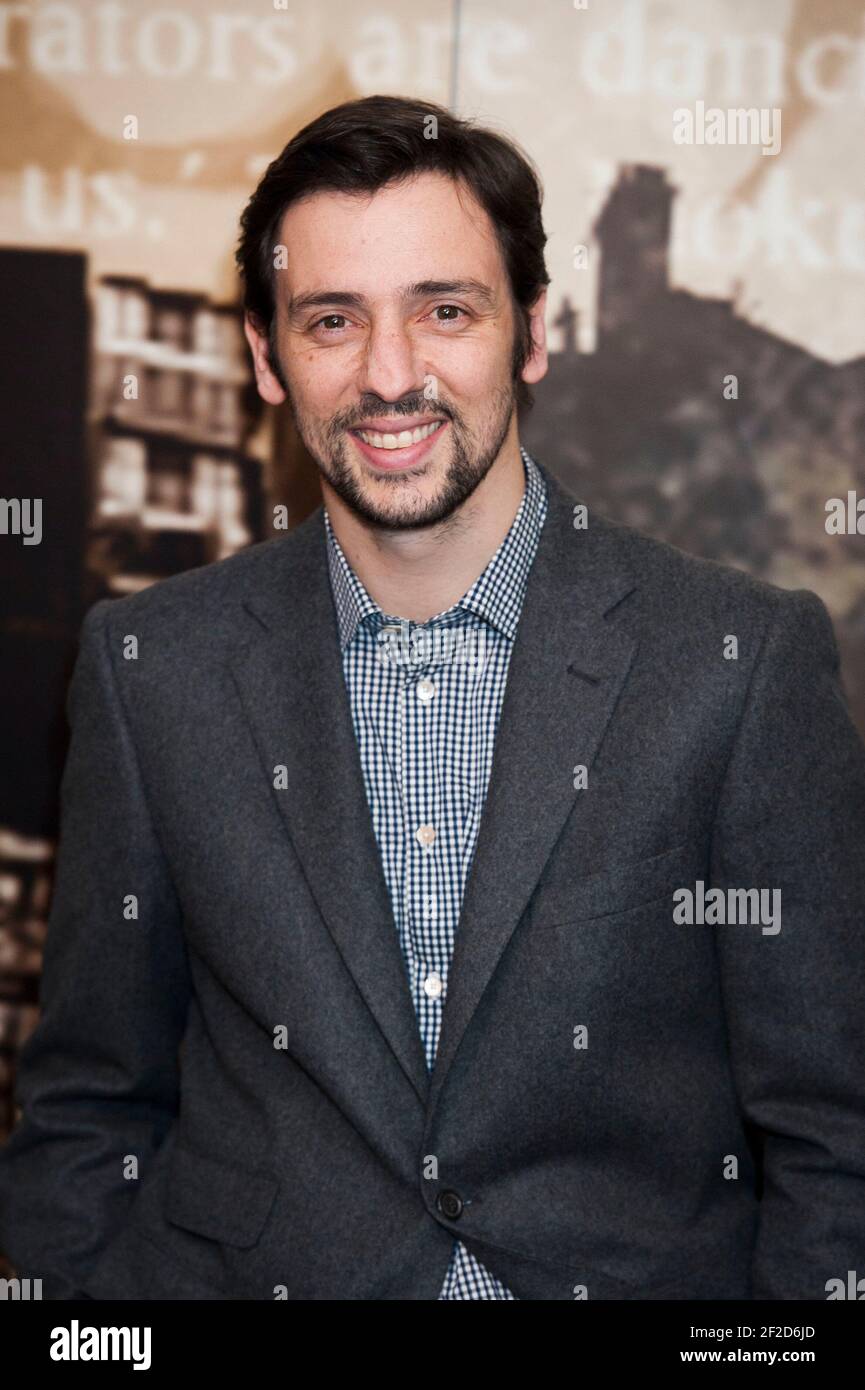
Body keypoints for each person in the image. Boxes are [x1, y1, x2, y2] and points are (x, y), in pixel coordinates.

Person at [1, 94, 864, 1301]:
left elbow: (837, 1134)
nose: (389, 376)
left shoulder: (737, 660)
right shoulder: (152, 669)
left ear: (530, 332)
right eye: (331, 321)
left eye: (444, 311)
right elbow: (90, 1101)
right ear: (265, 355)